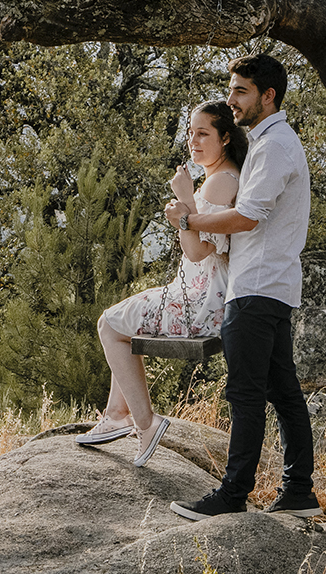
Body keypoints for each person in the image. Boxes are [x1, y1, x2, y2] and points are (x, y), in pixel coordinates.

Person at [165, 53, 321, 519]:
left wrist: (190, 216)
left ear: (267, 95)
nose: (230, 99)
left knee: (246, 393)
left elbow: (248, 217)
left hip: (255, 287)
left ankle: (233, 495)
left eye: (240, 91)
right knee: (282, 390)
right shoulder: (272, 142)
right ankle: (298, 492)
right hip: (270, 284)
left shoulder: (274, 148)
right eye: (231, 89)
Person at [75, 100, 246, 468]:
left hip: (200, 303)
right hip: (203, 295)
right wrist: (187, 210)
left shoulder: (220, 182)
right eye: (190, 133)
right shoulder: (224, 176)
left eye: (203, 133)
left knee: (109, 324)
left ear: (226, 138)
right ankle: (115, 413)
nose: (193, 141)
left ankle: (145, 423)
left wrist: (185, 203)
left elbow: (198, 251)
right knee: (123, 320)